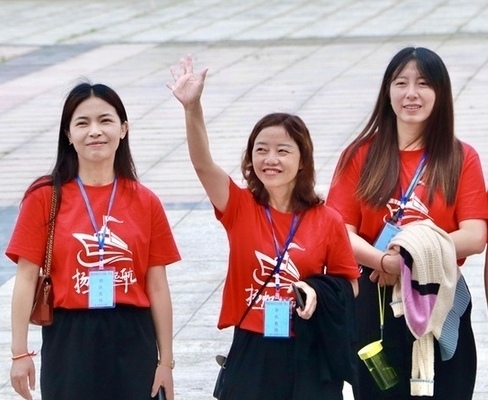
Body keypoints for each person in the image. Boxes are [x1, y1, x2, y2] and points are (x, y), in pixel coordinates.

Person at [168, 54, 361, 400]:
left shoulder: (326, 219)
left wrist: (316, 291)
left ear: (302, 162)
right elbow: (202, 164)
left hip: (308, 347)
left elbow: (351, 285)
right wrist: (192, 108)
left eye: (283, 151)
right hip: (253, 347)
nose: (271, 159)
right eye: (262, 150)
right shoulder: (240, 206)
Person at [326, 46, 488, 400]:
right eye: (401, 83)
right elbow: (339, 231)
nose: (411, 93)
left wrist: (409, 255)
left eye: (423, 83)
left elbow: (476, 235)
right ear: (388, 91)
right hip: (374, 295)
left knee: (448, 388)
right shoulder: (360, 155)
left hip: (439, 291)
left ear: (440, 93)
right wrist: (384, 262)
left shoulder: (461, 157)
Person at [6, 81, 181, 400]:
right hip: (70, 340)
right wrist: (19, 353)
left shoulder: (146, 201)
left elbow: (157, 286)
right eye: (82, 123)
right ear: (68, 134)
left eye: (105, 120)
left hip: (133, 337)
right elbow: (26, 278)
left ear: (123, 128)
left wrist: (165, 361)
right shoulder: (44, 198)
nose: (95, 131)